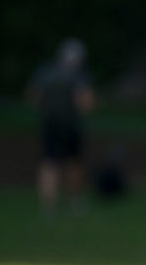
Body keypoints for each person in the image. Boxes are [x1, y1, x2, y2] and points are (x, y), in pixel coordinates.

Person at [26, 37, 95, 216]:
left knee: (49, 163)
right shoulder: (79, 75)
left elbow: (33, 98)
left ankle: (48, 206)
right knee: (74, 163)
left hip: (49, 125)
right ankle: (74, 201)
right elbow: (85, 103)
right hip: (71, 126)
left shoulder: (46, 72)